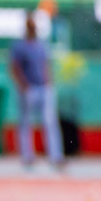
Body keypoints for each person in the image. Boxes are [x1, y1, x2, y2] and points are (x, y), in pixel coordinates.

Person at [9, 17, 62, 169]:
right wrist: (23, 85)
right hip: (29, 89)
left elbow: (46, 65)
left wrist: (50, 83)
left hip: (44, 88)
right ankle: (27, 156)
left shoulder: (41, 45)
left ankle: (55, 156)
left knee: (50, 122)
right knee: (26, 122)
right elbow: (14, 67)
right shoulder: (20, 46)